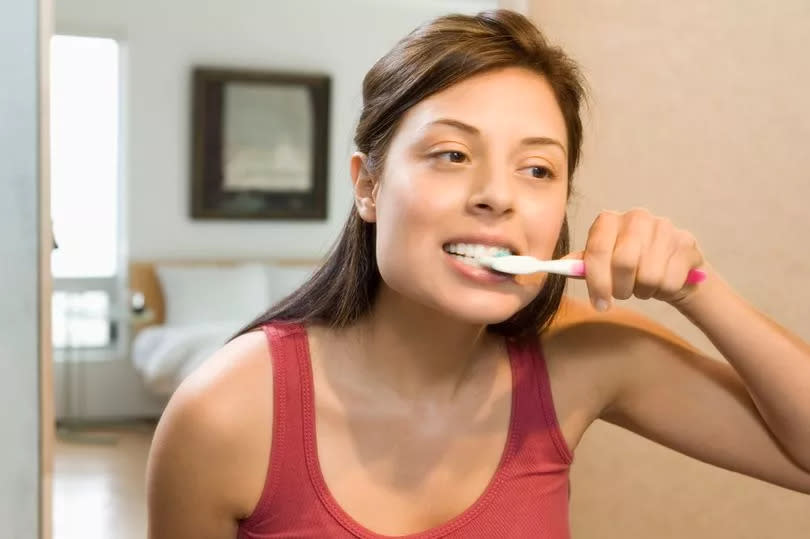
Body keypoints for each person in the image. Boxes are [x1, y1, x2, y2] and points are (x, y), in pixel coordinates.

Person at [146, 9, 810, 539]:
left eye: (538, 168)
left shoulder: (581, 359)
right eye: (453, 153)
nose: (498, 195)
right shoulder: (224, 415)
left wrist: (698, 286)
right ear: (368, 185)